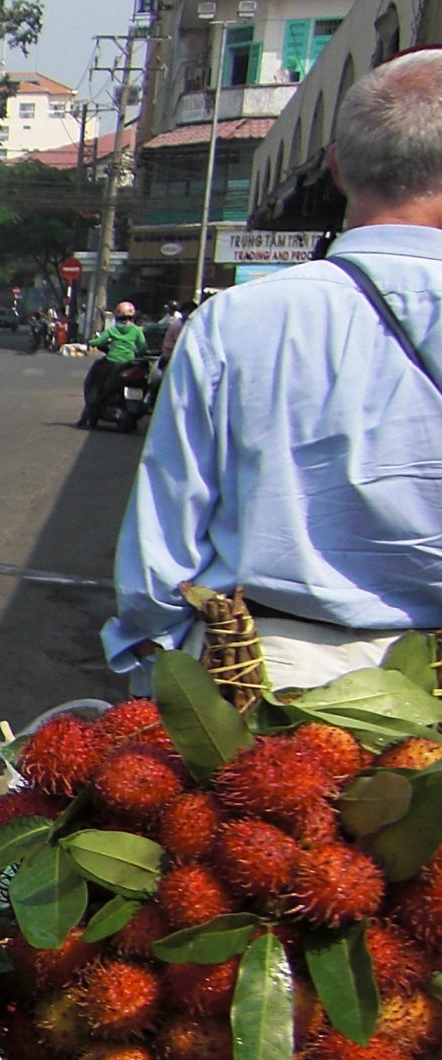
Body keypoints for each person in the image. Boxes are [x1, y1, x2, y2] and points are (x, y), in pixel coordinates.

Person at [108, 49, 442, 691]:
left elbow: (164, 549)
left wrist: (159, 677)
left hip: (257, 678)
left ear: (338, 168)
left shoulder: (235, 320)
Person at [76, 301, 148, 427]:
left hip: (111, 364)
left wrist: (91, 342)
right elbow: (143, 347)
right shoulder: (137, 330)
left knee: (96, 388)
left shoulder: (113, 330)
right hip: (129, 363)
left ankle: (87, 414)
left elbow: (99, 342)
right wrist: (135, 351)